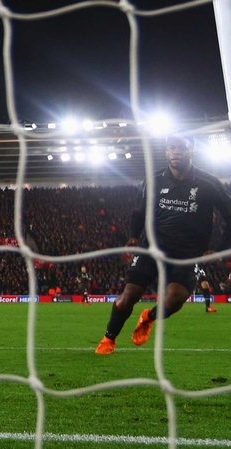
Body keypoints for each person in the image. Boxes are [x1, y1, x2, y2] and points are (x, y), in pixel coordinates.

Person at [95, 134, 231, 354]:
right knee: (128, 296)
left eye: (181, 147)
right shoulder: (154, 180)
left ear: (192, 150)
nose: (175, 151)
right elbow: (138, 211)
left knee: (175, 300)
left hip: (189, 254)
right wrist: (133, 235)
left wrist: (220, 250)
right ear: (166, 151)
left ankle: (148, 317)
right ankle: (108, 338)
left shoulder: (209, 183)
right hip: (153, 248)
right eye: (171, 147)